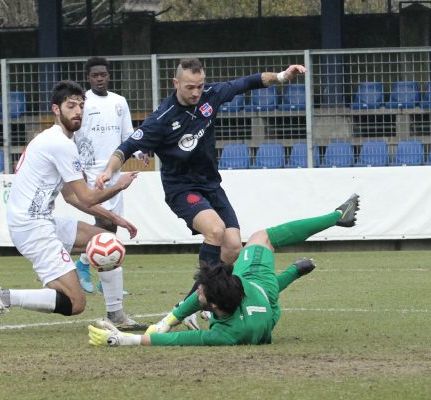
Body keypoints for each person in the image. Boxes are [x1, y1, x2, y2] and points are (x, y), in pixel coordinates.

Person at [97, 58, 308, 297]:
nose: (196, 92)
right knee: (216, 231)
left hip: (210, 184)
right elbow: (125, 148)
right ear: (176, 83)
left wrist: (282, 76)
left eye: (200, 85)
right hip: (181, 188)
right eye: (190, 87)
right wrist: (108, 170)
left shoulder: (211, 95)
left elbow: (248, 82)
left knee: (233, 247)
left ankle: (203, 299)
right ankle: (194, 303)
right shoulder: (162, 119)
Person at [0, 80, 146, 335]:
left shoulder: (60, 140)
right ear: (56, 109)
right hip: (31, 226)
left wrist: (117, 220)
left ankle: (116, 315)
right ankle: (3, 296)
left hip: (39, 221)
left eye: (81, 105)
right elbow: (87, 198)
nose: (78, 111)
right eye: (71, 105)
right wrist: (119, 185)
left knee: (105, 239)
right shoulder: (60, 143)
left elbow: (73, 198)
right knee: (75, 303)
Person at [87, 193, 360, 347]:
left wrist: (124, 339)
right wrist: (163, 325)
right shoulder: (237, 299)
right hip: (260, 290)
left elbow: (179, 340)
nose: (197, 292)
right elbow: (270, 289)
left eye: (202, 292)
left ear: (214, 305)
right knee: (261, 238)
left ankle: (338, 217)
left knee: (262, 236)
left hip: (263, 299)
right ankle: (336, 216)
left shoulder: (225, 336)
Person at [74, 56, 148, 294]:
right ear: (88, 77)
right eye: (95, 75)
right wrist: (80, 170)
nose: (99, 79)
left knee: (111, 226)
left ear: (108, 75)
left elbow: (128, 134)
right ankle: (84, 267)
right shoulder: (82, 103)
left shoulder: (119, 102)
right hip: (91, 169)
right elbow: (75, 137)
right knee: (103, 222)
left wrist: (139, 151)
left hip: (115, 168)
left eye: (103, 74)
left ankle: (94, 273)